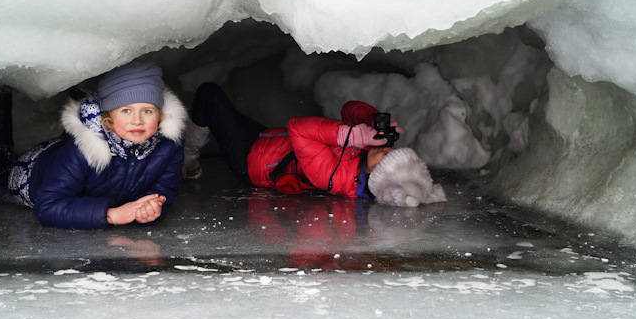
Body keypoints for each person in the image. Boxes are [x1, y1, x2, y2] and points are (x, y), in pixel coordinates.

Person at [0, 60, 186, 229]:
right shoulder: (79, 151)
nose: (138, 120)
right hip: (33, 172)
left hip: (79, 156)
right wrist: (110, 215)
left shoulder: (168, 146)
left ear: (160, 115)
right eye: (126, 110)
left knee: (78, 153)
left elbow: (163, 190)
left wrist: (150, 209)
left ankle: (80, 95)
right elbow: (49, 207)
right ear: (108, 116)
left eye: (147, 111)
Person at [184, 82, 446, 207]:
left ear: (378, 178)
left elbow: (298, 127)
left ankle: (189, 153)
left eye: (385, 159)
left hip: (252, 161)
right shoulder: (364, 161)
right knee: (216, 111)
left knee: (210, 95)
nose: (384, 150)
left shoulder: (332, 176)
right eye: (391, 150)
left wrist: (354, 137)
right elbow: (348, 109)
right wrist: (371, 122)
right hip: (269, 142)